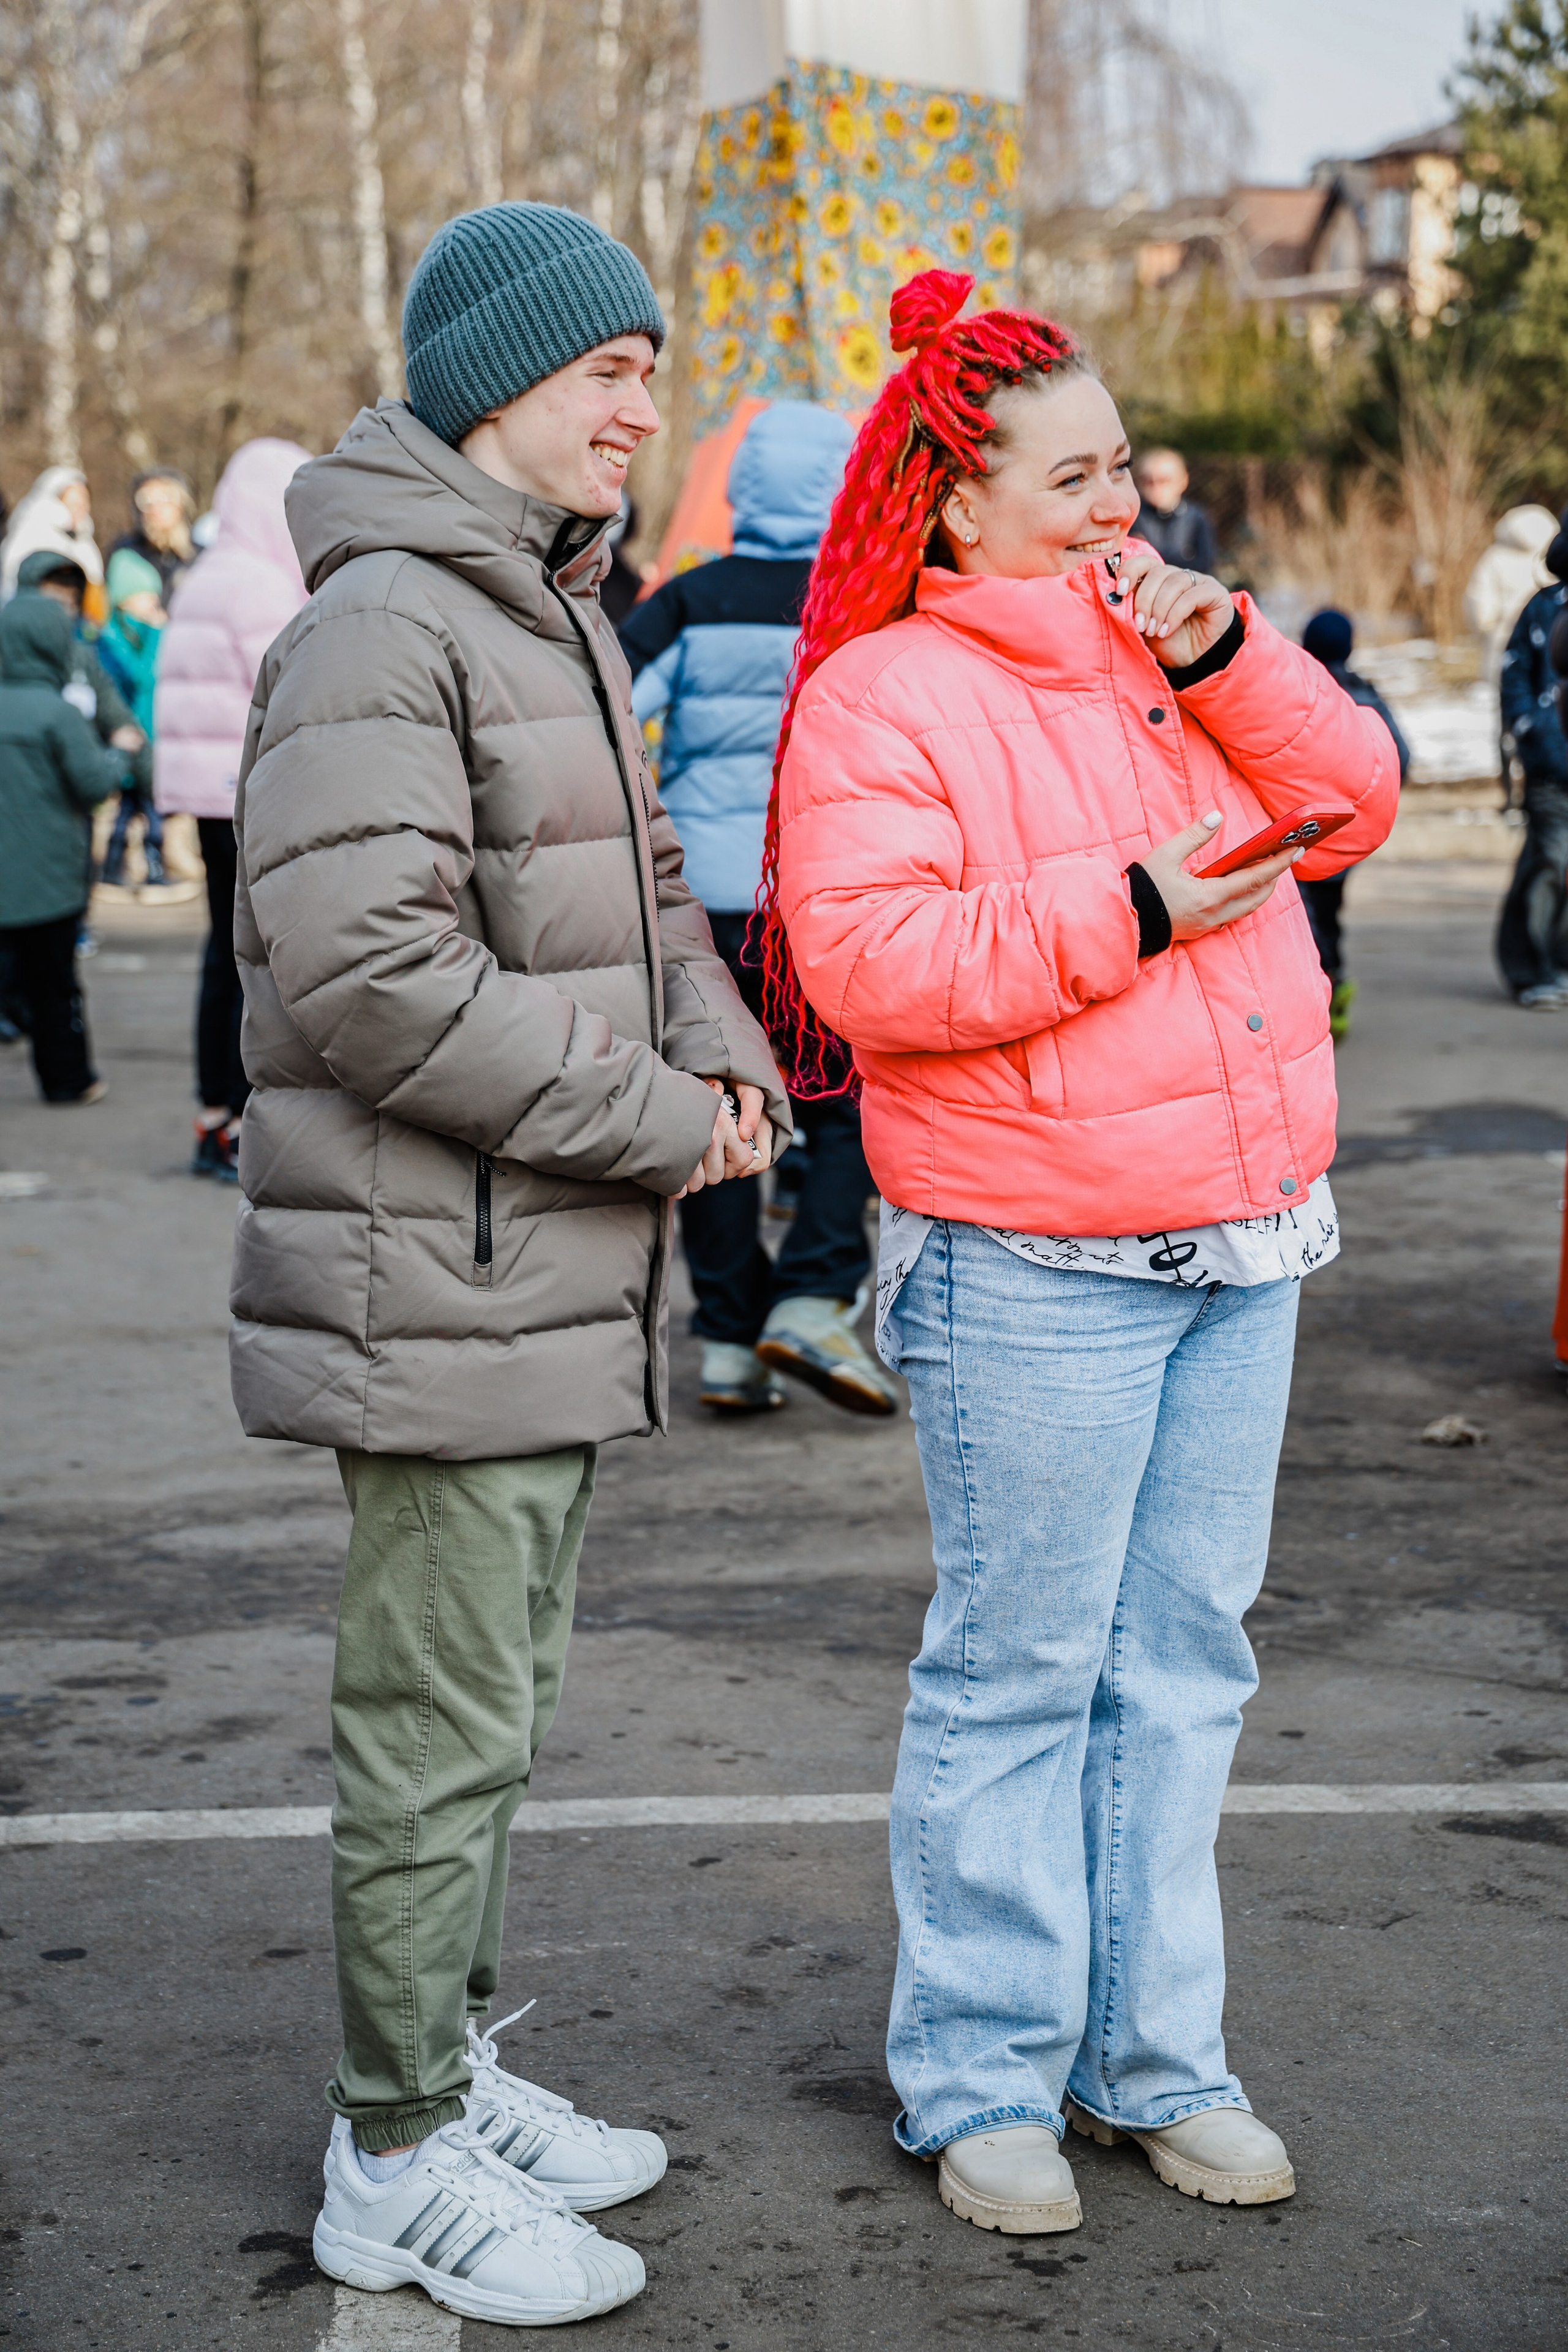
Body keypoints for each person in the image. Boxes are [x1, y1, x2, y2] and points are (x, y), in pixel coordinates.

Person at [766, 270, 1397, 2239]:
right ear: (955, 502)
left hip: (1243, 1229)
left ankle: (1152, 2058)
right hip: (1031, 1254)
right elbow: (865, 964)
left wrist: (1233, 656)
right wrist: (1125, 904)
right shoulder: (882, 693)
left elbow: (1351, 800)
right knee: (1021, 1672)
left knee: (1184, 1664)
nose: (1118, 503)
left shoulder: (1173, 644)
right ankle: (980, 2073)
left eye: (1122, 464)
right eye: (1072, 476)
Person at [230, 202, 789, 2327]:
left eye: (651, 369)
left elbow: (645, 884)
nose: (645, 408)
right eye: (609, 371)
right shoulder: (386, 623)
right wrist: (656, 1120)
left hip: (533, 1266)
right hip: (436, 1279)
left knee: (492, 1711)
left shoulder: (544, 607)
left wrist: (725, 1062)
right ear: (493, 382)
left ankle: (445, 2077)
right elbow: (368, 975)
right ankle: (391, 2156)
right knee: (436, 1727)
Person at [620, 401, 897, 1416]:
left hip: (706, 907)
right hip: (818, 899)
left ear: (741, 489)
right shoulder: (862, 603)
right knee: (844, 1103)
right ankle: (814, 1296)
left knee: (721, 1111)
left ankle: (731, 1344)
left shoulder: (687, 602)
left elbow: (607, 714)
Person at [154, 437, 311, 1180]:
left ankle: (212, 1113)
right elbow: (293, 685)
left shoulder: (205, 577)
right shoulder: (263, 587)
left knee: (223, 952)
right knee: (256, 960)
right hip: (250, 788)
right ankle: (241, 1119)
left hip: (204, 792)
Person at [0, 585, 132, 1101]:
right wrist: (121, 755)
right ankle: (67, 1081)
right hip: (48, 876)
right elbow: (93, 784)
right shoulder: (57, 713)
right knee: (54, 986)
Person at [1297, 608, 1410, 1040]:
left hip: (1296, 829)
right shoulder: (1364, 694)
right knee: (1327, 913)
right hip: (1344, 832)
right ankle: (1334, 982)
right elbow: (1401, 755)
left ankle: (1327, 989)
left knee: (1306, 920)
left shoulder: (1298, 690)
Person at [1495, 508, 1568, 1007]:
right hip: (1552, 766)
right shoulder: (1544, 608)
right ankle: (1537, 966)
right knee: (1551, 861)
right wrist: (1533, 732)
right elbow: (1516, 676)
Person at [95, 547, 173, 890]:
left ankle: (127, 869)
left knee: (141, 808)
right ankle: (127, 869)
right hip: (133, 738)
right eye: (146, 594)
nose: (154, 601)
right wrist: (158, 634)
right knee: (137, 809)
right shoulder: (112, 638)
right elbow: (143, 675)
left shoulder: (138, 633)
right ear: (125, 598)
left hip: (152, 737)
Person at [0, 465, 104, 604]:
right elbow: (12, 585)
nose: (80, 510)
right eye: (73, 504)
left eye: (83, 504)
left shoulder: (86, 545)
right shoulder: (30, 534)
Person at [110, 467, 196, 604]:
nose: (154, 508)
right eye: (145, 500)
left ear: (182, 503)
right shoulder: (127, 555)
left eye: (165, 497)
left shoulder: (202, 557)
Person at [1132, 445, 1216, 573]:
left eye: (1164, 480)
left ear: (1183, 481)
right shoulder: (1133, 516)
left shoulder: (1196, 517)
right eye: (1148, 481)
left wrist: (1153, 555)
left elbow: (1205, 563)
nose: (1156, 487)